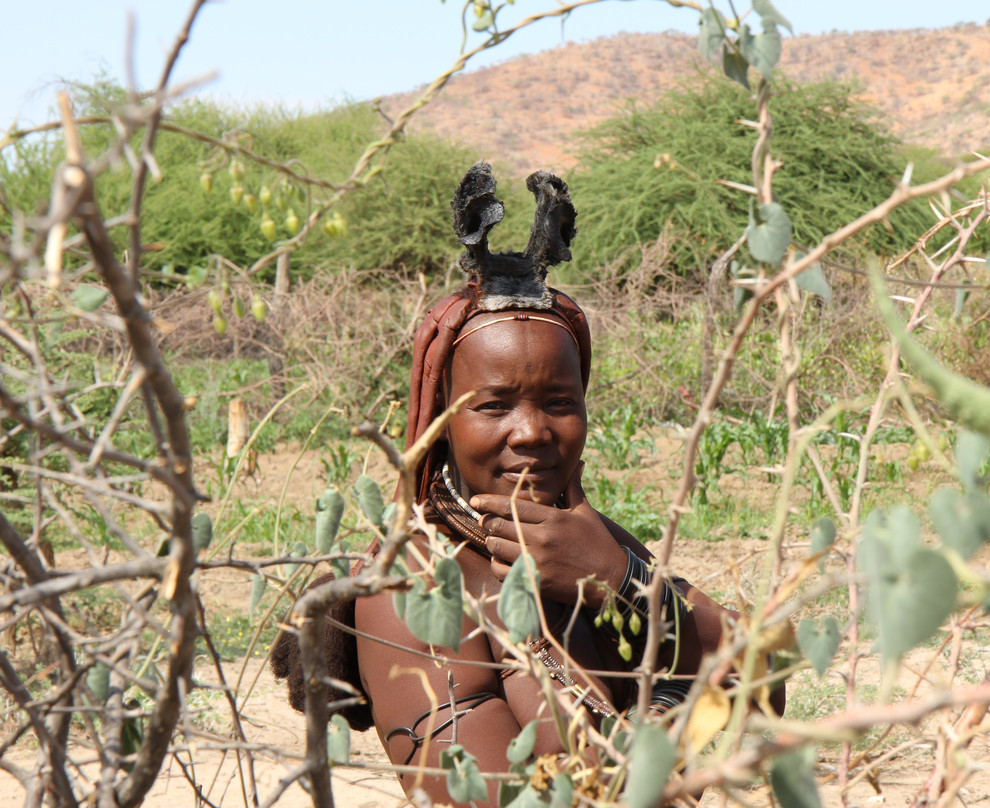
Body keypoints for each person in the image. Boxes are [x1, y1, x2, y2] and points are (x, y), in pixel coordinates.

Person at [272, 163, 777, 806]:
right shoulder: (415, 589)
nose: (533, 432)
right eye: (493, 406)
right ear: (440, 422)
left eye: (560, 401)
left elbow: (767, 681)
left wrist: (623, 582)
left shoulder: (588, 544)